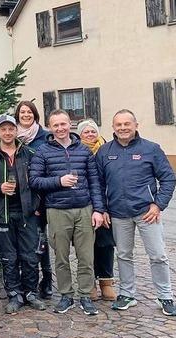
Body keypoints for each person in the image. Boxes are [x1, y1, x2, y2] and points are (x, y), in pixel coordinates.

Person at [96, 109, 176, 316]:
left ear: (135, 125)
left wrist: (158, 205)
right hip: (117, 214)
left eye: (127, 124)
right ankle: (127, 294)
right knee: (124, 255)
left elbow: (168, 179)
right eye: (119, 125)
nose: (123, 128)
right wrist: (102, 209)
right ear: (113, 127)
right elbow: (97, 184)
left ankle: (165, 296)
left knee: (158, 255)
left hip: (146, 213)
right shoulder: (105, 152)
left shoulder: (151, 149)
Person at [29, 109, 105, 316]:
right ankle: (66, 295)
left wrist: (98, 210)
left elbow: (94, 182)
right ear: (50, 127)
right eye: (56, 125)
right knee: (61, 257)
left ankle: (86, 296)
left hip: (84, 209)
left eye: (63, 124)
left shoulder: (83, 150)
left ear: (69, 124)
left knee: (86, 257)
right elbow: (34, 181)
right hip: (57, 210)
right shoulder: (43, 152)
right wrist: (58, 181)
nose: (61, 129)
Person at [0, 115, 45, 313]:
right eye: (3, 129)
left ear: (16, 131)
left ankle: (31, 293)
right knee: (9, 258)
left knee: (30, 256)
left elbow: (40, 181)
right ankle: (14, 294)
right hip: (0, 214)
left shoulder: (30, 154)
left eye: (11, 129)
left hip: (27, 214)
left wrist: (36, 204)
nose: (7, 132)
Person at [15, 100, 53, 299]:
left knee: (41, 240)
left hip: (40, 197)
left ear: (35, 115)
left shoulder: (44, 137)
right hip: (19, 198)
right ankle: (27, 279)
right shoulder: (13, 137)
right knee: (25, 240)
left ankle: (46, 280)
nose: (26, 115)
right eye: (22, 112)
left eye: (29, 112)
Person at [77, 119, 116, 302]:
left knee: (106, 245)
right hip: (84, 205)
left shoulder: (107, 150)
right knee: (86, 246)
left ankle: (106, 282)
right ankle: (89, 283)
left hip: (106, 206)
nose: (91, 134)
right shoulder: (76, 151)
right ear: (80, 135)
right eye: (86, 132)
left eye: (93, 131)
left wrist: (104, 207)